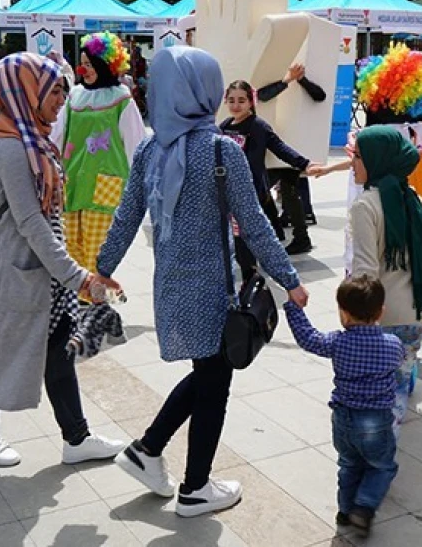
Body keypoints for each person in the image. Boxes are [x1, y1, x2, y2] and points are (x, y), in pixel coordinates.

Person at [99, 47, 306, 517]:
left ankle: (148, 450)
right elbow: (254, 223)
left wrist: (103, 266)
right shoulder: (220, 150)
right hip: (214, 288)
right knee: (215, 383)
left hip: (172, 285)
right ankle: (194, 487)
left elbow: (127, 215)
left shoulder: (151, 148)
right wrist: (289, 278)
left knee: (209, 374)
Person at [0, 53, 126, 466]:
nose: (61, 98)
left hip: (37, 274)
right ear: (24, 90)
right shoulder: (12, 147)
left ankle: (76, 437)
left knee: (59, 353)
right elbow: (31, 222)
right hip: (14, 272)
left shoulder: (27, 138)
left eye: (62, 89)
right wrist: (79, 277)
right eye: (54, 90)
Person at [283, 276, 403, 538]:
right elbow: (399, 365)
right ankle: (364, 506)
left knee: (348, 465)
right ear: (381, 311)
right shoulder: (393, 345)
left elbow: (308, 338)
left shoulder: (338, 342)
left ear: (343, 314)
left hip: (343, 419)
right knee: (381, 466)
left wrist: (293, 309)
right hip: (376, 421)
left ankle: (345, 509)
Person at [347, 126, 422, 434]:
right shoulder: (414, 198)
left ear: (377, 160)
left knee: (373, 403)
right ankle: (383, 454)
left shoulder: (365, 206)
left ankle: (377, 464)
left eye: (358, 156)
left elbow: (365, 273)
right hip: (415, 313)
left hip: (380, 318)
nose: (352, 163)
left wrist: (353, 321)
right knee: (396, 393)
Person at [52, 32, 147, 273]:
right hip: (72, 185)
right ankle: (79, 306)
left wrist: (138, 192)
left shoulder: (122, 99)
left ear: (105, 65)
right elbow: (57, 135)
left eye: (90, 65)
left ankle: (94, 307)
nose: (85, 71)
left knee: (96, 256)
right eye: (82, 65)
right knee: (70, 251)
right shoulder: (74, 95)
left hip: (106, 186)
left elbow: (136, 146)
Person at [220, 80, 322, 279]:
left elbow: (280, 148)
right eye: (231, 100)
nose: (236, 105)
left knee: (245, 237)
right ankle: (245, 276)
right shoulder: (224, 126)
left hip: (250, 193)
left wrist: (305, 164)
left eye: (241, 100)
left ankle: (252, 279)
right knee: (233, 236)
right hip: (227, 192)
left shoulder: (258, 126)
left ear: (251, 102)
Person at [262, 63, 328, 254]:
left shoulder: (300, 77)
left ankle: (298, 236)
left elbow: (320, 96)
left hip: (290, 144)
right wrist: (287, 80)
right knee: (282, 191)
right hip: (276, 144)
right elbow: (262, 96)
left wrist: (300, 79)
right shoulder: (270, 72)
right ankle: (295, 235)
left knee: (279, 190)